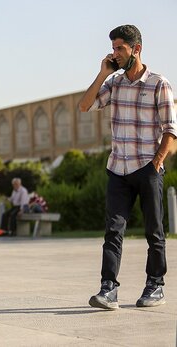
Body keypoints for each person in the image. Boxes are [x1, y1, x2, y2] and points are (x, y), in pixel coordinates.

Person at [78, 24, 177, 309]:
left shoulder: (159, 84)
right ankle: (108, 289)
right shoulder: (114, 83)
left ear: (137, 49)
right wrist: (103, 73)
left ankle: (155, 285)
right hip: (118, 170)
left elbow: (170, 131)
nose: (115, 54)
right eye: (113, 49)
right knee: (113, 230)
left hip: (147, 169)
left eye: (120, 48)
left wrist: (156, 164)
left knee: (154, 231)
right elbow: (85, 105)